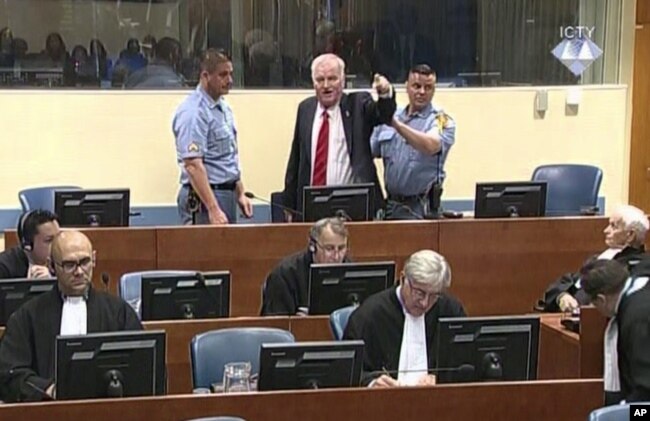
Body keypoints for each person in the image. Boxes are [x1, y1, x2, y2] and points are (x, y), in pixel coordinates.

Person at [0, 231, 141, 402]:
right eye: (69, 265)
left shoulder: (118, 312)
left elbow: (142, 364)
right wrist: (48, 389)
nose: (79, 272)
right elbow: (10, 372)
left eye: (85, 262)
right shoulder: (28, 316)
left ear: (94, 259)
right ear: (51, 266)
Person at [281, 53, 396, 221]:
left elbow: (383, 114)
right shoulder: (305, 109)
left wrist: (385, 94)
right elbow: (296, 158)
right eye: (320, 80)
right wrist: (289, 205)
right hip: (314, 205)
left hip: (353, 205)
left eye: (332, 79)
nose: (326, 85)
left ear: (342, 81)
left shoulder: (358, 104)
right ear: (313, 83)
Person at [343, 250, 466, 387]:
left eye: (433, 296)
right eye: (419, 293)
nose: (425, 303)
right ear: (403, 279)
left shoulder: (450, 310)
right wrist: (371, 383)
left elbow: (465, 365)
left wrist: (439, 379)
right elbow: (347, 371)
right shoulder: (370, 314)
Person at [173, 48, 253, 224]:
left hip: (226, 193)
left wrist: (240, 192)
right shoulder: (193, 112)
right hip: (205, 199)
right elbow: (193, 165)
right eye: (222, 75)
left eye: (231, 74)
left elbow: (227, 157)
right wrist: (213, 208)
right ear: (205, 76)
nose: (229, 80)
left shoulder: (223, 108)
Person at [370, 64, 456, 219]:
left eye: (428, 87)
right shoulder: (391, 116)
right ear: (407, 87)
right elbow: (368, 151)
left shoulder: (441, 119)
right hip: (390, 206)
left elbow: (431, 145)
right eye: (417, 86)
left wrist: (395, 124)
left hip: (421, 209)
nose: (422, 92)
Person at [539, 205, 649, 312]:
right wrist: (562, 296)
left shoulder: (636, 268)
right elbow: (569, 280)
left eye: (613, 226)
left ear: (630, 235)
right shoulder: (602, 257)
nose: (605, 230)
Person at [580, 259, 650, 404]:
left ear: (601, 299)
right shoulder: (642, 286)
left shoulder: (636, 319)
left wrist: (625, 412)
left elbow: (646, 387)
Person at [261, 217, 350, 315]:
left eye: (341, 248)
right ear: (312, 246)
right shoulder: (284, 275)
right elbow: (275, 323)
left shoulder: (350, 269)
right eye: (329, 249)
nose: (337, 256)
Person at [0, 210, 59, 279]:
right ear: (28, 244)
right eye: (49, 240)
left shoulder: (66, 260)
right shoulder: (4, 267)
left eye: (58, 238)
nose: (57, 245)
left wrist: (52, 280)